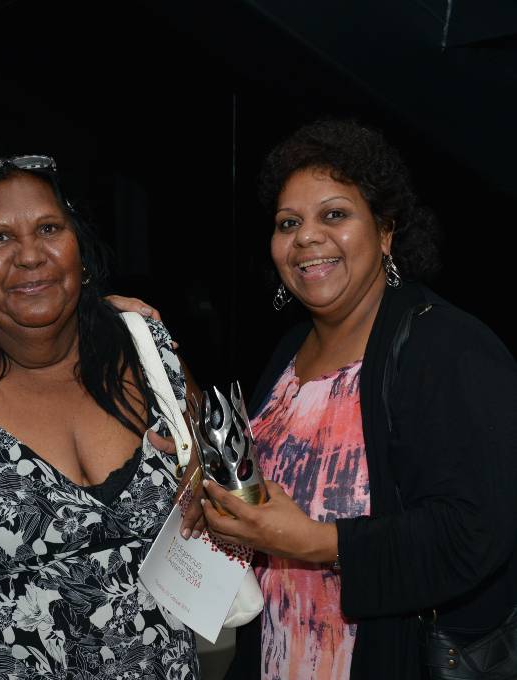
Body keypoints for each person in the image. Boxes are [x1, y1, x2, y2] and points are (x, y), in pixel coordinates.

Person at [196, 119, 517, 679]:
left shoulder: (447, 347)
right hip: (278, 655)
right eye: (287, 223)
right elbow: (265, 493)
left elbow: (474, 533)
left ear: (386, 231)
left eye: (335, 215)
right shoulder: (289, 352)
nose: (306, 237)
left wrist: (319, 543)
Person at [0, 156, 202, 679]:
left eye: (49, 228)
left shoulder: (149, 355)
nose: (30, 256)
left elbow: (216, 486)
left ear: (80, 252)